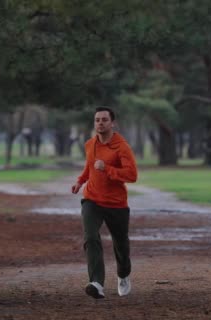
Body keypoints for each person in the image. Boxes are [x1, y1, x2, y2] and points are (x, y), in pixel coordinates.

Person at [71, 106, 138, 299]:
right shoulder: (90, 144)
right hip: (92, 200)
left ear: (112, 123)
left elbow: (132, 175)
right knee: (90, 237)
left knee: (121, 245)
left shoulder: (121, 147)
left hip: (116, 204)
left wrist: (108, 168)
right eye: (97, 120)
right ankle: (97, 283)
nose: (100, 123)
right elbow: (89, 167)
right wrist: (80, 181)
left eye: (104, 120)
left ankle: (123, 274)